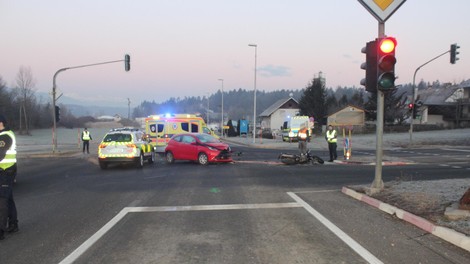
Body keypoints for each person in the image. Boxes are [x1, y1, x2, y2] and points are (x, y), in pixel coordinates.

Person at [0, 114, 19, 240]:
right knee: (8, 197)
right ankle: (13, 223)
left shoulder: (5, 136)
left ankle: (0, 230)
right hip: (6, 170)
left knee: (2, 200)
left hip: (6, 171)